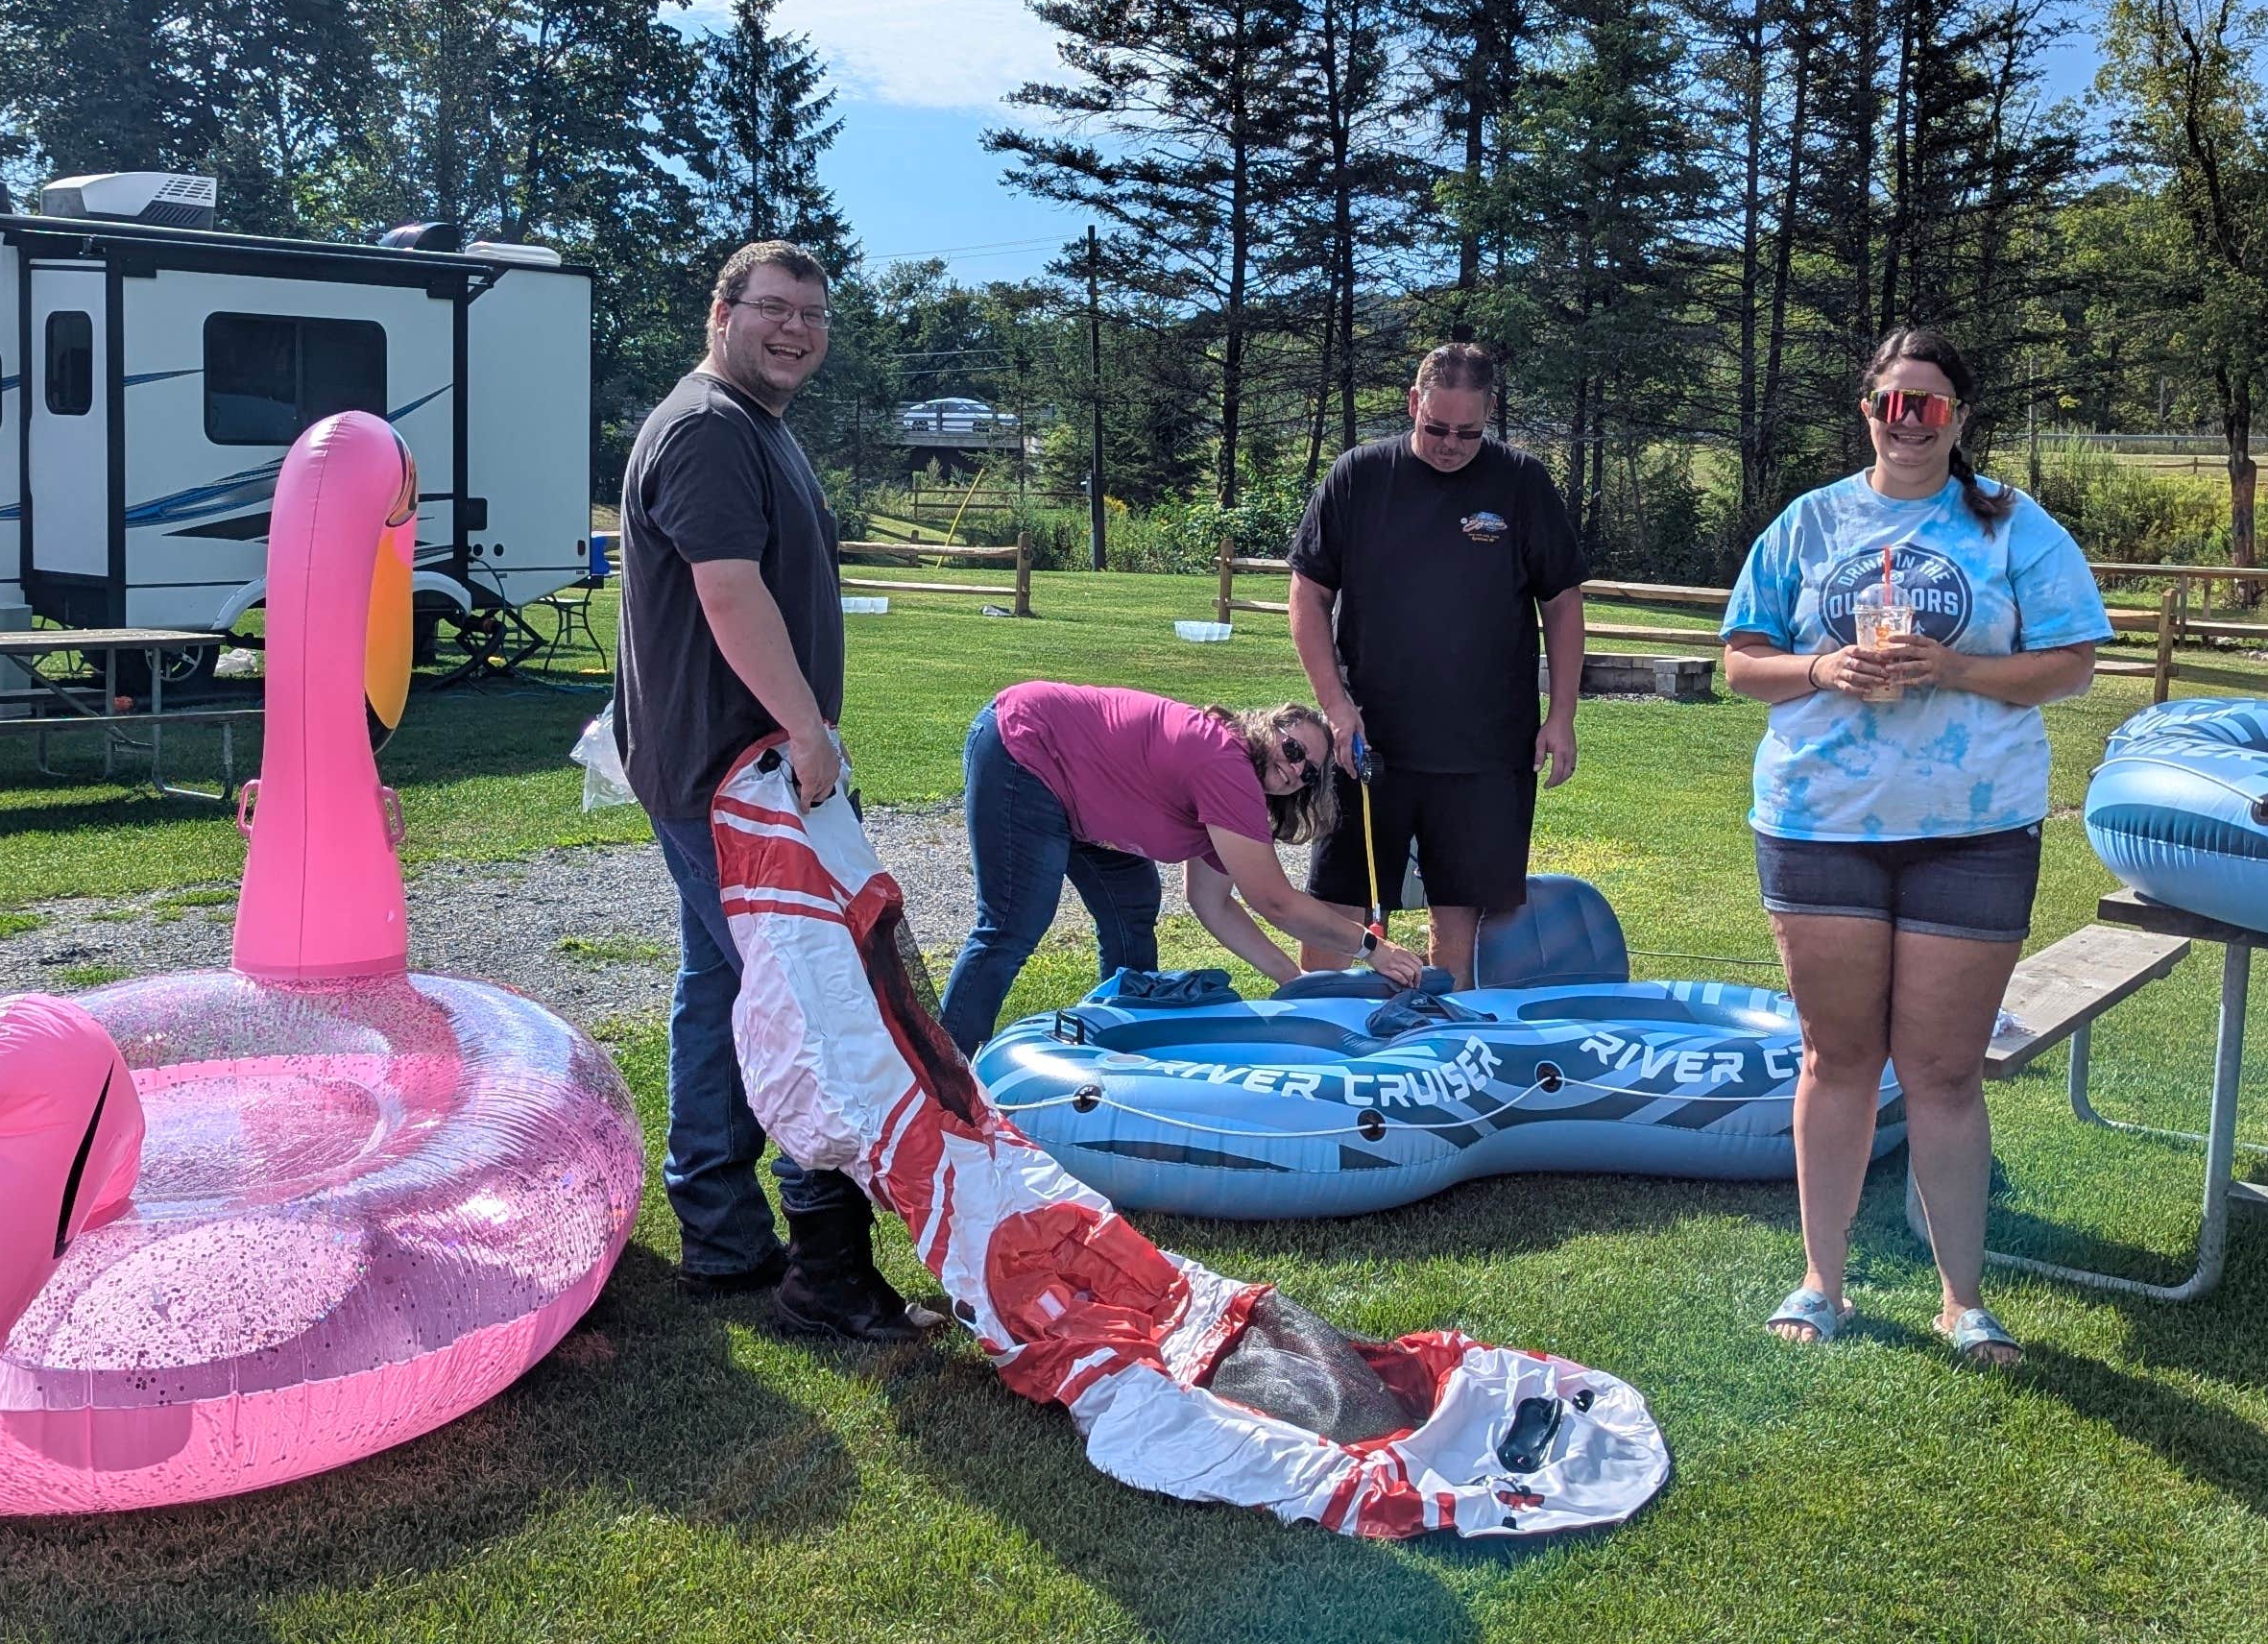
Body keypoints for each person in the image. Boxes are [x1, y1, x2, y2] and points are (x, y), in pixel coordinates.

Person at [1720, 326, 2111, 1368]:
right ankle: (1821, 1284)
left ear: (1959, 419)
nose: (1909, 423)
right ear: (1867, 412)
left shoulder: (2012, 526)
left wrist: (1954, 670)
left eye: (1930, 406)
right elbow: (1740, 661)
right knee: (1836, 1057)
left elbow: (2072, 665)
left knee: (1941, 1073)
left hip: (1972, 829)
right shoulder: (1808, 524)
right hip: (1821, 824)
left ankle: (1962, 1301)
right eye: (1892, 403)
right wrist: (1822, 671)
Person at [614, 239, 927, 1345]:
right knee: (804, 998)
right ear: (722, 310)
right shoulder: (708, 429)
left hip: (728, 766)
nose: (796, 329)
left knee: (723, 985)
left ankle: (722, 1232)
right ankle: (819, 1271)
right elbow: (729, 593)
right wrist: (803, 728)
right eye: (774, 309)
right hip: (732, 772)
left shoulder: (751, 428)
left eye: (813, 314)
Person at [1287, 343, 1588, 988]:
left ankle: (1439, 1049)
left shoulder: (1521, 483)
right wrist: (1337, 708)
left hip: (1487, 745)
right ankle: (1323, 1041)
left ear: (1491, 418)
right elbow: (1308, 593)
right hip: (1368, 741)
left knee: (1461, 919)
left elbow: (1562, 602)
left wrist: (1561, 715)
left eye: (1469, 432)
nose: (1451, 444)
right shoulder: (1359, 477)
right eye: (1436, 428)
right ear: (1413, 404)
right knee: (1346, 908)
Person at [935, 687, 1430, 1050]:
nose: (1296, 768)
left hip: (1082, 792)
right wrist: (1372, 949)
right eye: (1294, 748)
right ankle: (943, 1078)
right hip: (1026, 748)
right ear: (1266, 727)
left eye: (1310, 773)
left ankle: (1119, 1041)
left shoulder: (1235, 792)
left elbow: (1211, 903)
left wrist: (1295, 979)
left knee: (1131, 906)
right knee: (1012, 924)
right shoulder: (1224, 762)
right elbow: (1274, 900)